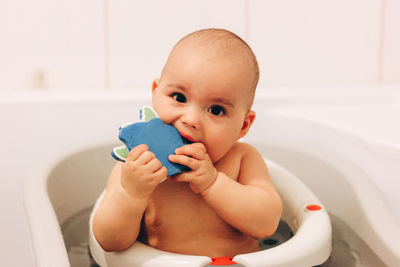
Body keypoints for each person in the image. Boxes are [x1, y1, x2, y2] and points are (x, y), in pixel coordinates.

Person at [92, 28, 282, 258]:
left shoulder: (242, 159)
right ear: (156, 92)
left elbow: (267, 222)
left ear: (243, 125)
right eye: (179, 98)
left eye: (216, 110)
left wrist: (212, 183)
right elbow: (109, 241)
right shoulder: (137, 165)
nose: (191, 120)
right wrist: (131, 193)